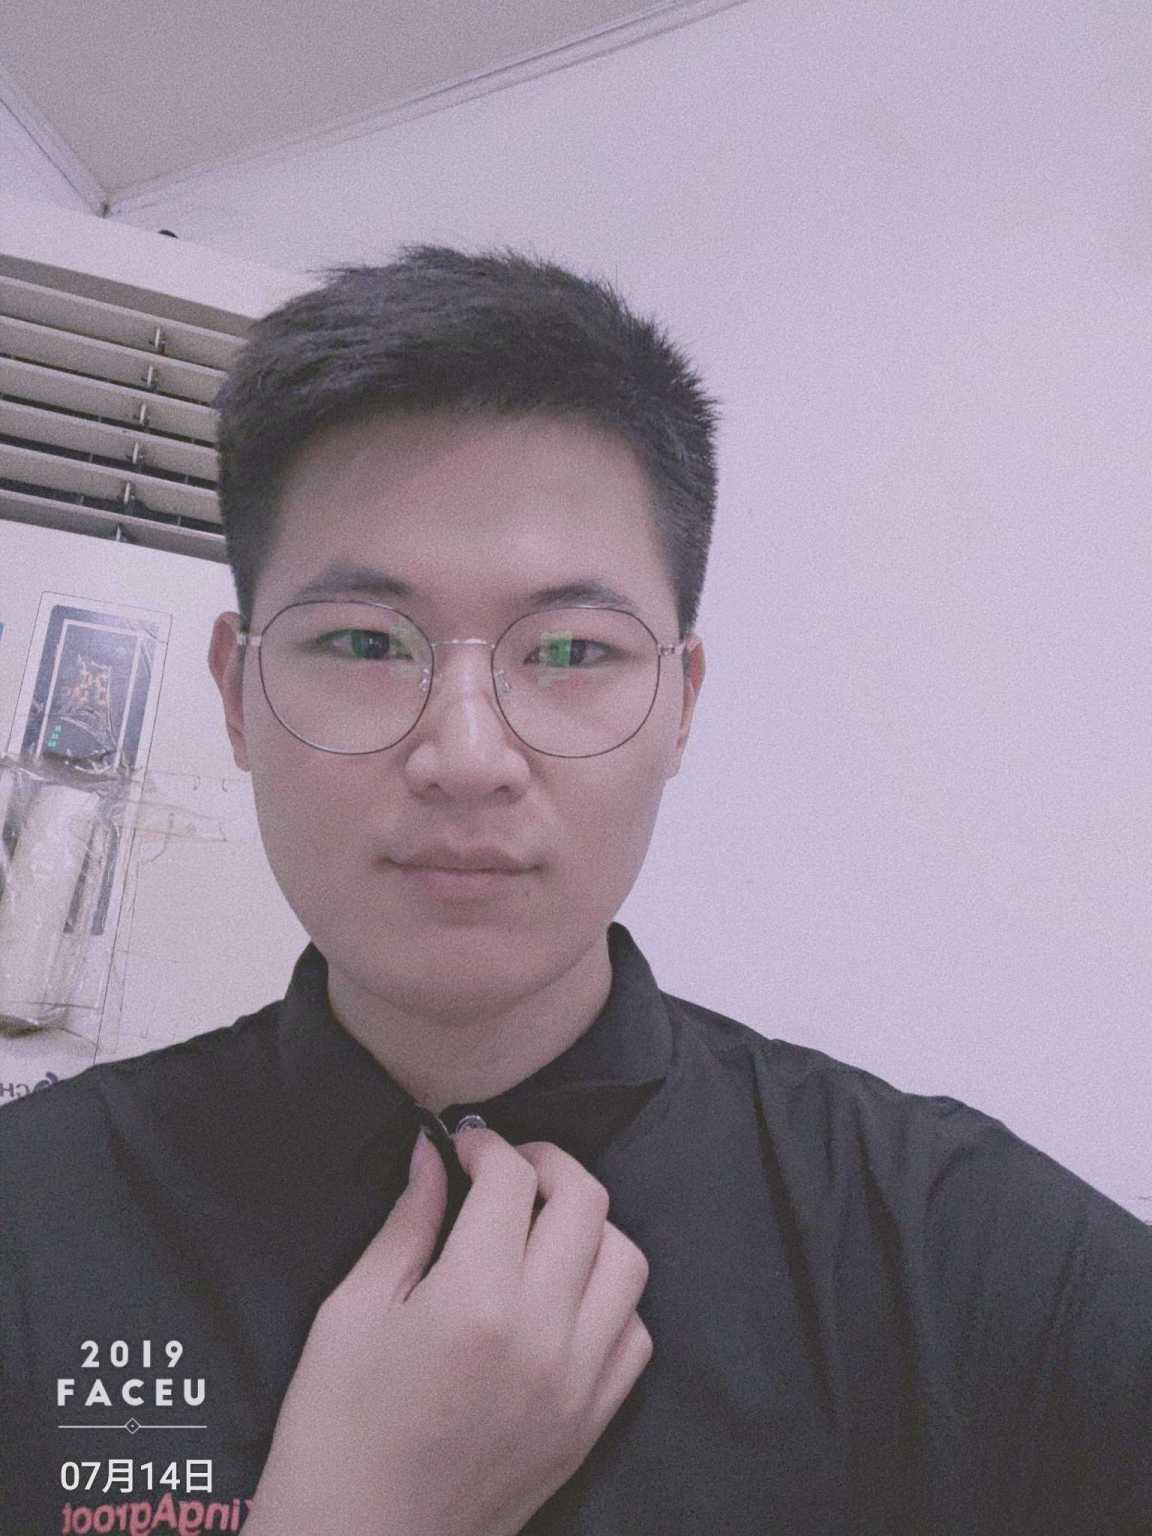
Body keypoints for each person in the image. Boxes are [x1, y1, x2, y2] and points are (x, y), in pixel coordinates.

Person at [1, 245, 1149, 1536]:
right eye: (365, 642)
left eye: (569, 650)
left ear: (681, 707)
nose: (466, 756)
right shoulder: (30, 1221)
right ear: (237, 696)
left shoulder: (960, 1255)